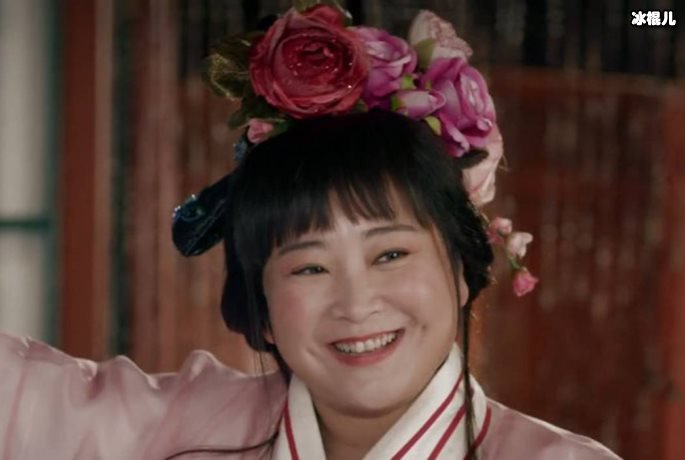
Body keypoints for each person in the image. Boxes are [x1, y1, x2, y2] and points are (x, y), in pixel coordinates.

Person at [1, 4, 620, 459]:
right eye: (309, 266)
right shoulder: (181, 429)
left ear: (461, 269)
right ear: (263, 310)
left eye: (391, 253)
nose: (356, 303)